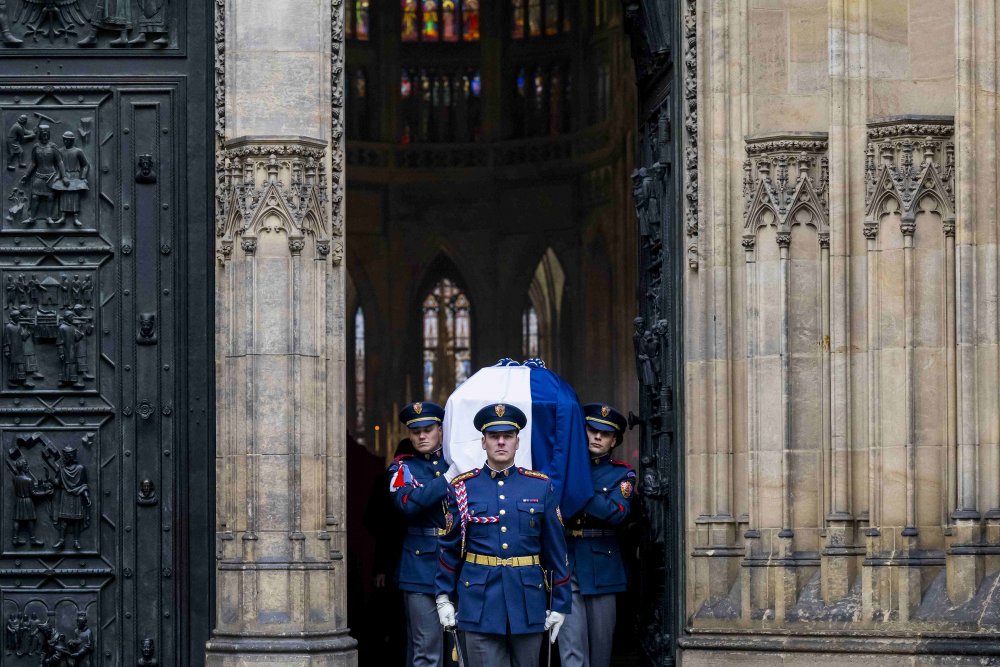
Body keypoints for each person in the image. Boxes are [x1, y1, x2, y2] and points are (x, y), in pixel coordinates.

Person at [435, 403, 570, 667]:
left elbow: (556, 550)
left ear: (518, 442)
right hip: (479, 602)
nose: (501, 442)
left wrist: (560, 604)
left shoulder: (540, 486)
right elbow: (449, 548)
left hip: (528, 602)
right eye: (494, 437)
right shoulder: (463, 487)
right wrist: (443, 597)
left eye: (507, 436)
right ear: (483, 442)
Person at [558, 403, 635, 667]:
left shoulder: (622, 474)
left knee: (601, 652)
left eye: (605, 433)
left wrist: (578, 487)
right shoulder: (563, 469)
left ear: (614, 440)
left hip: (603, 564)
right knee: (571, 649)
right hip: (567, 561)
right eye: (592, 430)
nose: (598, 437)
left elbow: (616, 513)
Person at [387, 401, 451, 667]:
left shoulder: (455, 461)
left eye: (428, 429)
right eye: (415, 432)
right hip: (420, 567)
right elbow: (407, 504)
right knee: (426, 649)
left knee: (460, 649)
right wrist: (446, 481)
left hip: (459, 564)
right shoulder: (403, 469)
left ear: (440, 430)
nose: (421, 436)